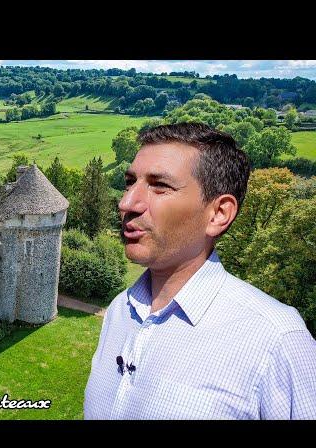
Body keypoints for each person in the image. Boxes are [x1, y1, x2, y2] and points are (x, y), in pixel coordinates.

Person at [84, 122, 316, 420]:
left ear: (218, 214)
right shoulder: (119, 311)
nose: (126, 202)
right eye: (130, 182)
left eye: (160, 186)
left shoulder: (277, 340)